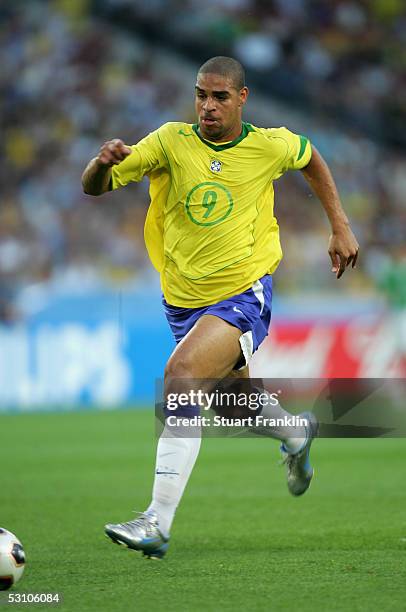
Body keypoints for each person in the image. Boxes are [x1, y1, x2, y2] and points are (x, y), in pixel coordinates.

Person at [82, 56, 359, 559]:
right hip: (183, 301)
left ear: (242, 98)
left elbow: (311, 158)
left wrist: (339, 224)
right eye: (201, 96)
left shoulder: (268, 145)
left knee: (181, 374)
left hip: (243, 293)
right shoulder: (169, 141)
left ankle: (156, 522)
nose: (208, 106)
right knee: (235, 403)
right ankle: (296, 432)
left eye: (220, 97)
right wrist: (101, 164)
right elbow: (93, 188)